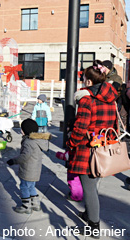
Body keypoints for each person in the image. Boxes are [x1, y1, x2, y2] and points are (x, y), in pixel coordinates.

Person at [66, 60, 118, 237]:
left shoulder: (87, 99)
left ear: (88, 81)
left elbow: (80, 127)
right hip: (102, 148)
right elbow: (115, 125)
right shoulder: (111, 99)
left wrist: (70, 143)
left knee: (88, 188)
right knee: (92, 185)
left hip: (87, 150)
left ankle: (93, 226)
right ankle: (89, 213)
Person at [6, 119, 51, 214]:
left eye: (22, 129)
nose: (21, 131)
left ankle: (26, 206)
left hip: (28, 170)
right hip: (35, 169)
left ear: (25, 130)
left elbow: (24, 157)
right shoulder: (38, 140)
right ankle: (36, 204)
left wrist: (14, 161)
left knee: (24, 187)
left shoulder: (28, 142)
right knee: (31, 187)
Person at [56, 118, 83, 202]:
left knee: (73, 181)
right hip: (81, 163)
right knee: (79, 181)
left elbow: (67, 156)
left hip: (73, 165)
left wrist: (59, 155)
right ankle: (79, 194)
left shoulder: (72, 141)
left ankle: (76, 196)